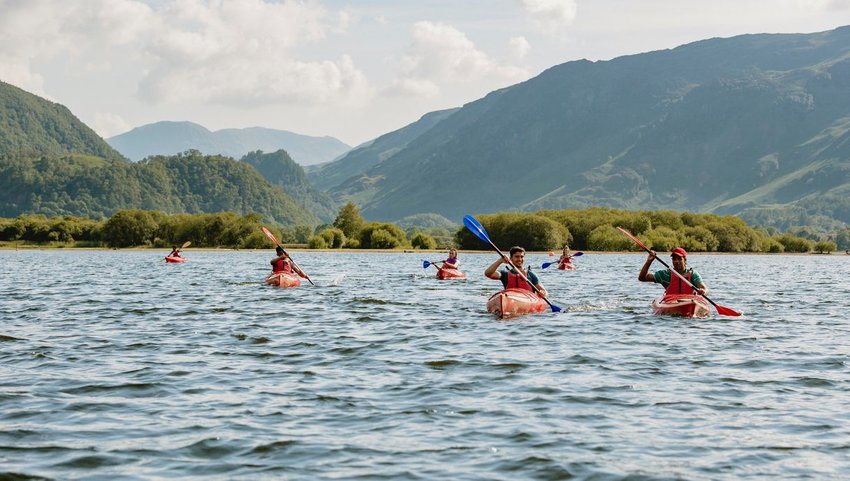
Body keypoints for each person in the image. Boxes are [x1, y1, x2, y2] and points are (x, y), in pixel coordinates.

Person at [638, 247, 707, 296]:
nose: (676, 261)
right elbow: (642, 278)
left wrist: (703, 291)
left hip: (689, 300)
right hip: (670, 302)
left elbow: (705, 288)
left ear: (685, 260)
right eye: (674, 259)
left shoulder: (693, 274)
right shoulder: (665, 274)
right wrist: (649, 262)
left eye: (679, 259)